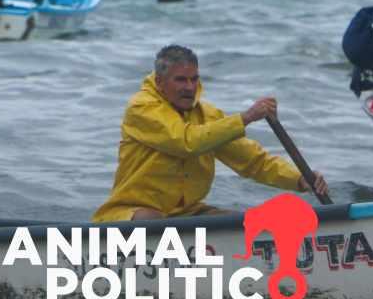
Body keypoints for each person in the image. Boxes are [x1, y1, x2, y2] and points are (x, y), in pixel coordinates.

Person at [93, 45, 328, 223]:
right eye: (180, 80)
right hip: (130, 214)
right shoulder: (141, 108)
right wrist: (245, 117)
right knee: (152, 221)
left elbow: (253, 162)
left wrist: (299, 179)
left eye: (194, 79)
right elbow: (187, 142)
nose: (189, 87)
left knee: (239, 222)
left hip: (187, 212)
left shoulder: (208, 116)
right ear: (160, 82)